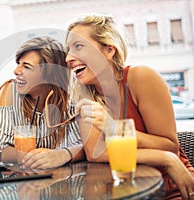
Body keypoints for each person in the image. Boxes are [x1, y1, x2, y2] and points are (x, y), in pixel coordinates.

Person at [65, 14, 194, 199]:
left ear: (109, 50)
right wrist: (164, 159)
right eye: (68, 50)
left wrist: (114, 128)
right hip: (124, 190)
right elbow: (96, 154)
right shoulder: (84, 94)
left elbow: (170, 146)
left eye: (79, 46)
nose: (68, 58)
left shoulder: (141, 77)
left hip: (172, 187)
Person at [0, 36, 85, 169]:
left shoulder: (73, 96)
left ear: (49, 73)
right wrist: (29, 156)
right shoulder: (11, 93)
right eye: (18, 63)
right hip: (21, 181)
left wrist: (60, 155)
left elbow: (87, 147)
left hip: (60, 179)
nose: (16, 71)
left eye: (26, 66)